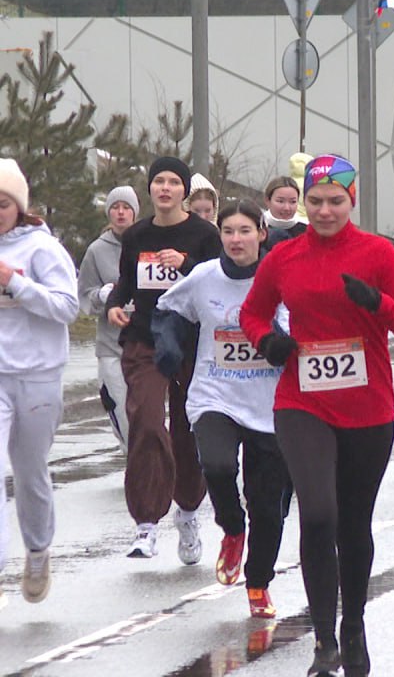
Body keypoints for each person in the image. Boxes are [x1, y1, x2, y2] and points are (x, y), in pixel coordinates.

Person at [241, 154, 394, 677]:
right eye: (316, 201)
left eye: (335, 201)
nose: (324, 211)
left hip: (368, 407)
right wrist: (268, 341)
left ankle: (354, 625)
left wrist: (378, 304)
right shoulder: (284, 257)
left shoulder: (378, 254)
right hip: (302, 402)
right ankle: (324, 639)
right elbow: (252, 312)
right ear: (305, 201)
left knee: (352, 524)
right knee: (318, 513)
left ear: (353, 201)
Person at [153, 201, 288, 618]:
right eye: (228, 231)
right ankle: (232, 528)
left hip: (271, 403)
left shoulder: (280, 279)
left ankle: (259, 582)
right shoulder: (204, 277)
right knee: (216, 464)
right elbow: (170, 310)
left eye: (244, 230)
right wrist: (170, 344)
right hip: (215, 394)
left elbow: (305, 325)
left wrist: (282, 343)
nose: (235, 239)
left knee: (268, 505)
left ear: (261, 234)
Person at [106, 156, 221, 560]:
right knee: (147, 420)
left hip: (191, 342)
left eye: (174, 181)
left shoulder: (204, 233)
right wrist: (115, 306)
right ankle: (146, 523)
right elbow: (126, 283)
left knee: (188, 431)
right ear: (150, 189)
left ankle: (188, 511)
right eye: (159, 181)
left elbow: (216, 282)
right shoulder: (136, 234)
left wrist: (185, 265)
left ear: (184, 190)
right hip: (144, 340)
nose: (166, 188)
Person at [0, 158, 79, 605]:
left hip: (37, 376)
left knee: (29, 473)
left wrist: (16, 284)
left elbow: (68, 308)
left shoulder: (41, 249)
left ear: (18, 206)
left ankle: (37, 550)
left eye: (3, 203)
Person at [78, 186, 139, 454]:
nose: (121, 212)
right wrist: (101, 295)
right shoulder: (96, 250)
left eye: (126, 207)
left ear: (135, 212)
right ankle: (132, 455)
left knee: (146, 410)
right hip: (110, 344)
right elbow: (84, 296)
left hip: (146, 341)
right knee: (119, 404)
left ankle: (147, 462)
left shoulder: (148, 241)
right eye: (115, 207)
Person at [262, 176, 306, 251]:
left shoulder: (306, 230)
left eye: (292, 202)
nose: (287, 208)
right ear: (267, 201)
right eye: (280, 201)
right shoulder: (257, 226)